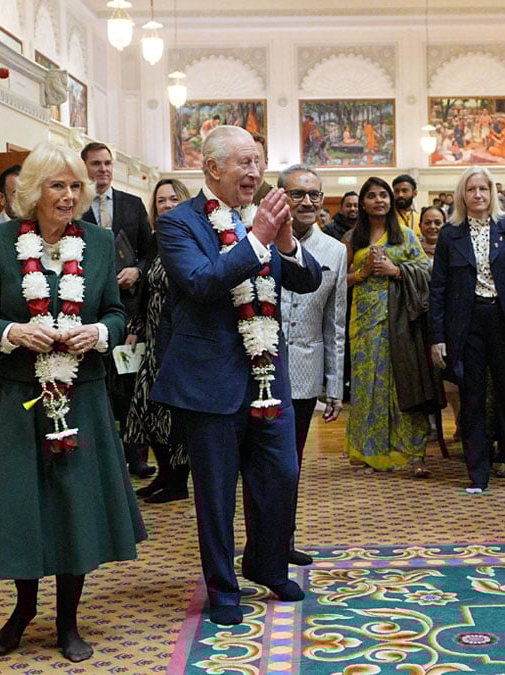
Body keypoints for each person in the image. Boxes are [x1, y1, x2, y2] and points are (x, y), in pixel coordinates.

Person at [0, 142, 145, 662]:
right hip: (17, 395)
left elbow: (116, 312)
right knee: (24, 507)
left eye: (75, 186)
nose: (68, 196)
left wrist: (97, 332)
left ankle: (68, 621)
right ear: (32, 191)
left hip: (81, 395)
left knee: (73, 506)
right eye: (57, 185)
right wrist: (16, 331)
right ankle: (24, 608)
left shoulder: (101, 242)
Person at [153, 125, 322, 626]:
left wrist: (286, 243)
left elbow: (307, 280)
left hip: (268, 373)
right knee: (216, 492)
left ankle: (267, 565)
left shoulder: (263, 216)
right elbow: (202, 283)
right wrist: (260, 240)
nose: (255, 173)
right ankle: (222, 588)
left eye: (259, 162)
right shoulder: (178, 223)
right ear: (212, 169)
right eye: (244, 163)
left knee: (281, 476)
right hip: (209, 380)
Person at [430, 166, 505, 493]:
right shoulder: (450, 233)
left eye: (484, 189)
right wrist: (437, 336)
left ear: (493, 193)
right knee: (472, 399)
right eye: (471, 190)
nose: (478, 195)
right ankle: (478, 476)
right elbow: (438, 288)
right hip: (466, 324)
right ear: (462, 195)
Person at [345, 177, 438, 476]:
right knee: (368, 387)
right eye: (371, 196)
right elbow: (339, 280)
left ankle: (412, 453)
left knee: (402, 384)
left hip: (400, 322)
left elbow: (427, 271)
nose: (379, 200)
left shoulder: (407, 237)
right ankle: (371, 453)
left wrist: (396, 271)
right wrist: (363, 273)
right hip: (364, 323)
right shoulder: (352, 239)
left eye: (383, 195)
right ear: (363, 203)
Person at [277, 164, 347, 565]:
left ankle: (283, 541)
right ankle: (261, 541)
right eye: (298, 194)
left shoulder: (335, 250)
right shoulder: (260, 240)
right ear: (282, 196)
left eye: (314, 195)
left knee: (291, 464)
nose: (306, 202)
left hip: (305, 372)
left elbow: (335, 323)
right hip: (260, 369)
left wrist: (333, 385)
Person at [80, 141, 158, 478]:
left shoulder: (131, 203)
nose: (103, 170)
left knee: (129, 386)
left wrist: (138, 270)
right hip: (87, 309)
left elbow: (148, 251)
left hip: (128, 307)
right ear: (84, 167)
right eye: (96, 164)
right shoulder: (75, 204)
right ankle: (98, 458)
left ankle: (135, 456)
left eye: (108, 163)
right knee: (97, 385)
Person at [124, 179, 192, 503]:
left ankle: (178, 482)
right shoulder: (155, 240)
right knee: (147, 411)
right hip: (150, 341)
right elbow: (146, 289)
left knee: (173, 415)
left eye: (173, 199)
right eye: (161, 200)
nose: (166, 205)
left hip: (179, 342)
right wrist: (135, 328)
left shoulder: (192, 239)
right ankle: (163, 474)